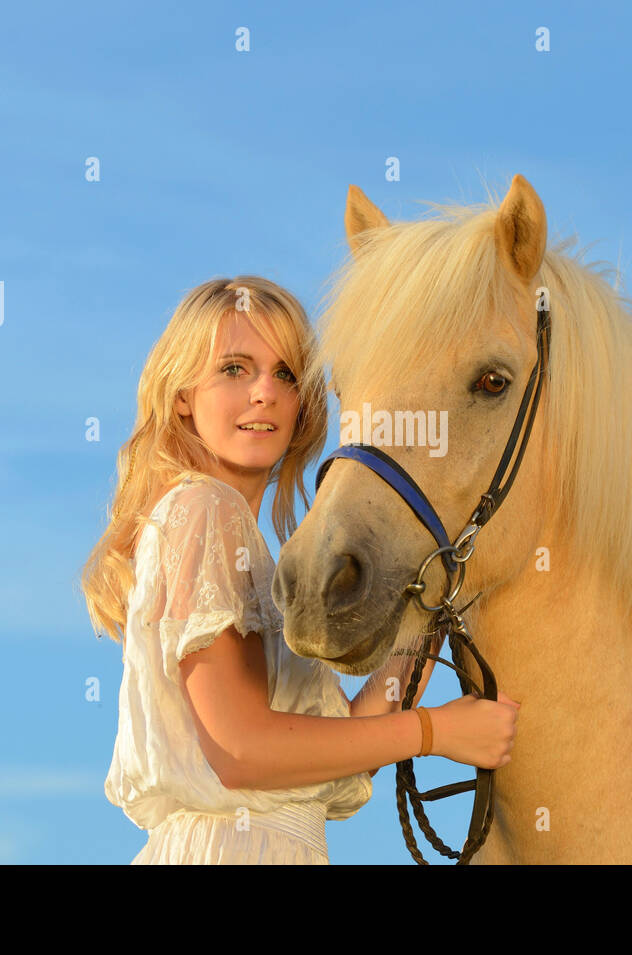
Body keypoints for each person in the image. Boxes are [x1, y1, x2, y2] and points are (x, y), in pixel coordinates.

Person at [81, 276, 520, 864]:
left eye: (285, 374)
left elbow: (333, 746)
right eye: (235, 369)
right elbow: (240, 750)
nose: (265, 392)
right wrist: (435, 733)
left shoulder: (235, 535)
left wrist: (417, 619)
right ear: (182, 394)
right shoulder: (202, 510)